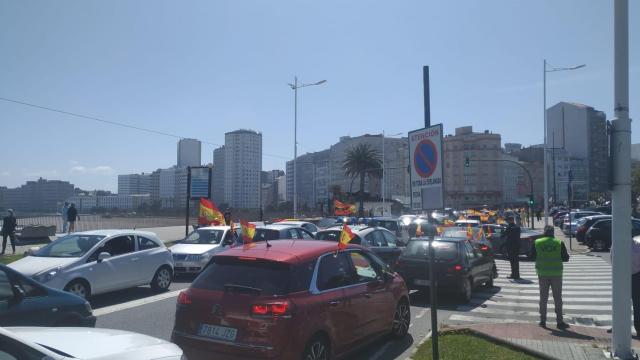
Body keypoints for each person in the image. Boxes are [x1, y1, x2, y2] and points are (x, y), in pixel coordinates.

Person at [531, 225, 570, 329]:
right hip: (556, 274)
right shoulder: (559, 243)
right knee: (557, 298)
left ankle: (542, 321)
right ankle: (559, 322)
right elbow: (566, 258)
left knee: (543, 298)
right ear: (553, 233)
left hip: (542, 273)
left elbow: (531, 256)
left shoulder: (537, 242)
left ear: (544, 232)